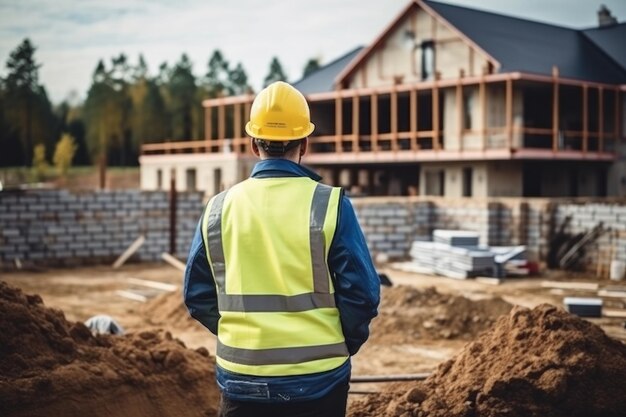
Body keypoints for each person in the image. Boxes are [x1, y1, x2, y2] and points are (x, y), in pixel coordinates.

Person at [183, 81, 380, 417]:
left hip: (241, 379)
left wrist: (243, 335)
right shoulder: (329, 204)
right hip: (318, 380)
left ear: (252, 144)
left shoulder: (218, 208)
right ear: (304, 143)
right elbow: (362, 295)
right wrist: (342, 343)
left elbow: (196, 294)